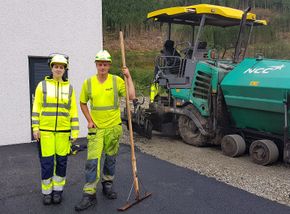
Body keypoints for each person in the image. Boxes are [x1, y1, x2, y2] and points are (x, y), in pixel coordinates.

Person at [75, 50, 135, 211]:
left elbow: (131, 96)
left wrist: (128, 77)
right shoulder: (88, 83)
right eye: (100, 64)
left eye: (105, 64)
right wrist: (89, 120)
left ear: (109, 65)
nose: (102, 67)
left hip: (113, 128)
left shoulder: (116, 81)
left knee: (110, 159)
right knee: (92, 161)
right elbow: (82, 103)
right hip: (97, 129)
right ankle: (89, 194)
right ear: (96, 65)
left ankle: (107, 184)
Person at [31, 54, 79, 205]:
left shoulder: (70, 88)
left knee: (62, 162)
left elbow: (73, 111)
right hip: (45, 132)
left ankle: (58, 191)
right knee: (47, 163)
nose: (58, 69)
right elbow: (36, 107)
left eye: (61, 67)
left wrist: (75, 131)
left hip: (63, 133)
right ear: (51, 67)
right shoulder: (42, 86)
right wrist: (35, 127)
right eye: (56, 66)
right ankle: (47, 192)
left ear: (65, 69)